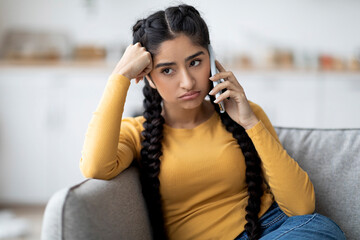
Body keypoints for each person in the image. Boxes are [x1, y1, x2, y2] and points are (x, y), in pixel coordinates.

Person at [80, 4, 346, 240]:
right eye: (167, 70)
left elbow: (301, 208)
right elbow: (94, 167)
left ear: (211, 57)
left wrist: (250, 122)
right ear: (147, 76)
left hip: (278, 228)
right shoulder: (136, 132)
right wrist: (119, 77)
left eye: (195, 62)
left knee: (321, 228)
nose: (187, 82)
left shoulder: (246, 114)